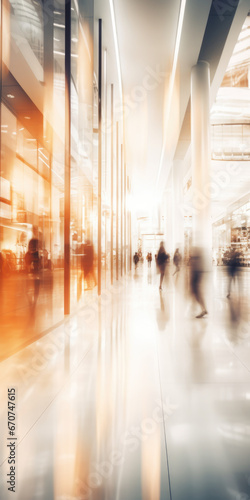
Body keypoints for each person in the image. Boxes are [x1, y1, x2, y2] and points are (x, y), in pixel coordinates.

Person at [189, 247, 208, 318]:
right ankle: (202, 308)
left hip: (195, 276)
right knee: (196, 293)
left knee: (196, 293)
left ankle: (203, 309)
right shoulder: (199, 259)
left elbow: (194, 268)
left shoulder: (195, 259)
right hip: (196, 276)